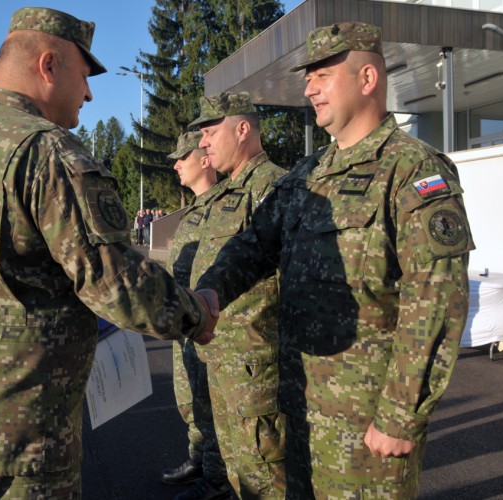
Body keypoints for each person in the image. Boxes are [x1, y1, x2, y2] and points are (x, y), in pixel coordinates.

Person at [0, 8, 217, 499]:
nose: (89, 94)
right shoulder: (45, 150)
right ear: (49, 65)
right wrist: (195, 314)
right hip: (21, 436)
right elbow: (115, 281)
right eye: (85, 75)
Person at [196, 22, 474, 498]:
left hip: (366, 428)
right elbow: (253, 244)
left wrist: (401, 414)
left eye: (322, 75)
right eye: (308, 78)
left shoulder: (412, 169)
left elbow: (436, 299)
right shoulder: (307, 175)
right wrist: (209, 292)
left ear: (367, 79)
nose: (309, 89)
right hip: (299, 411)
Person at [183, 92, 287, 500]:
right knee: (236, 475)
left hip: (256, 369)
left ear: (242, 129)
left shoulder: (274, 188)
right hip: (222, 361)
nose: (203, 143)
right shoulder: (225, 195)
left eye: (210, 132)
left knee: (265, 479)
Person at [162, 132, 229, 496]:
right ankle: (198, 457)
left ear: (204, 160)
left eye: (182, 157)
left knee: (210, 402)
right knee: (189, 398)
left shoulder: (224, 206)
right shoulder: (193, 210)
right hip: (186, 323)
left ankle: (216, 478)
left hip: (210, 324)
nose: (176, 165)